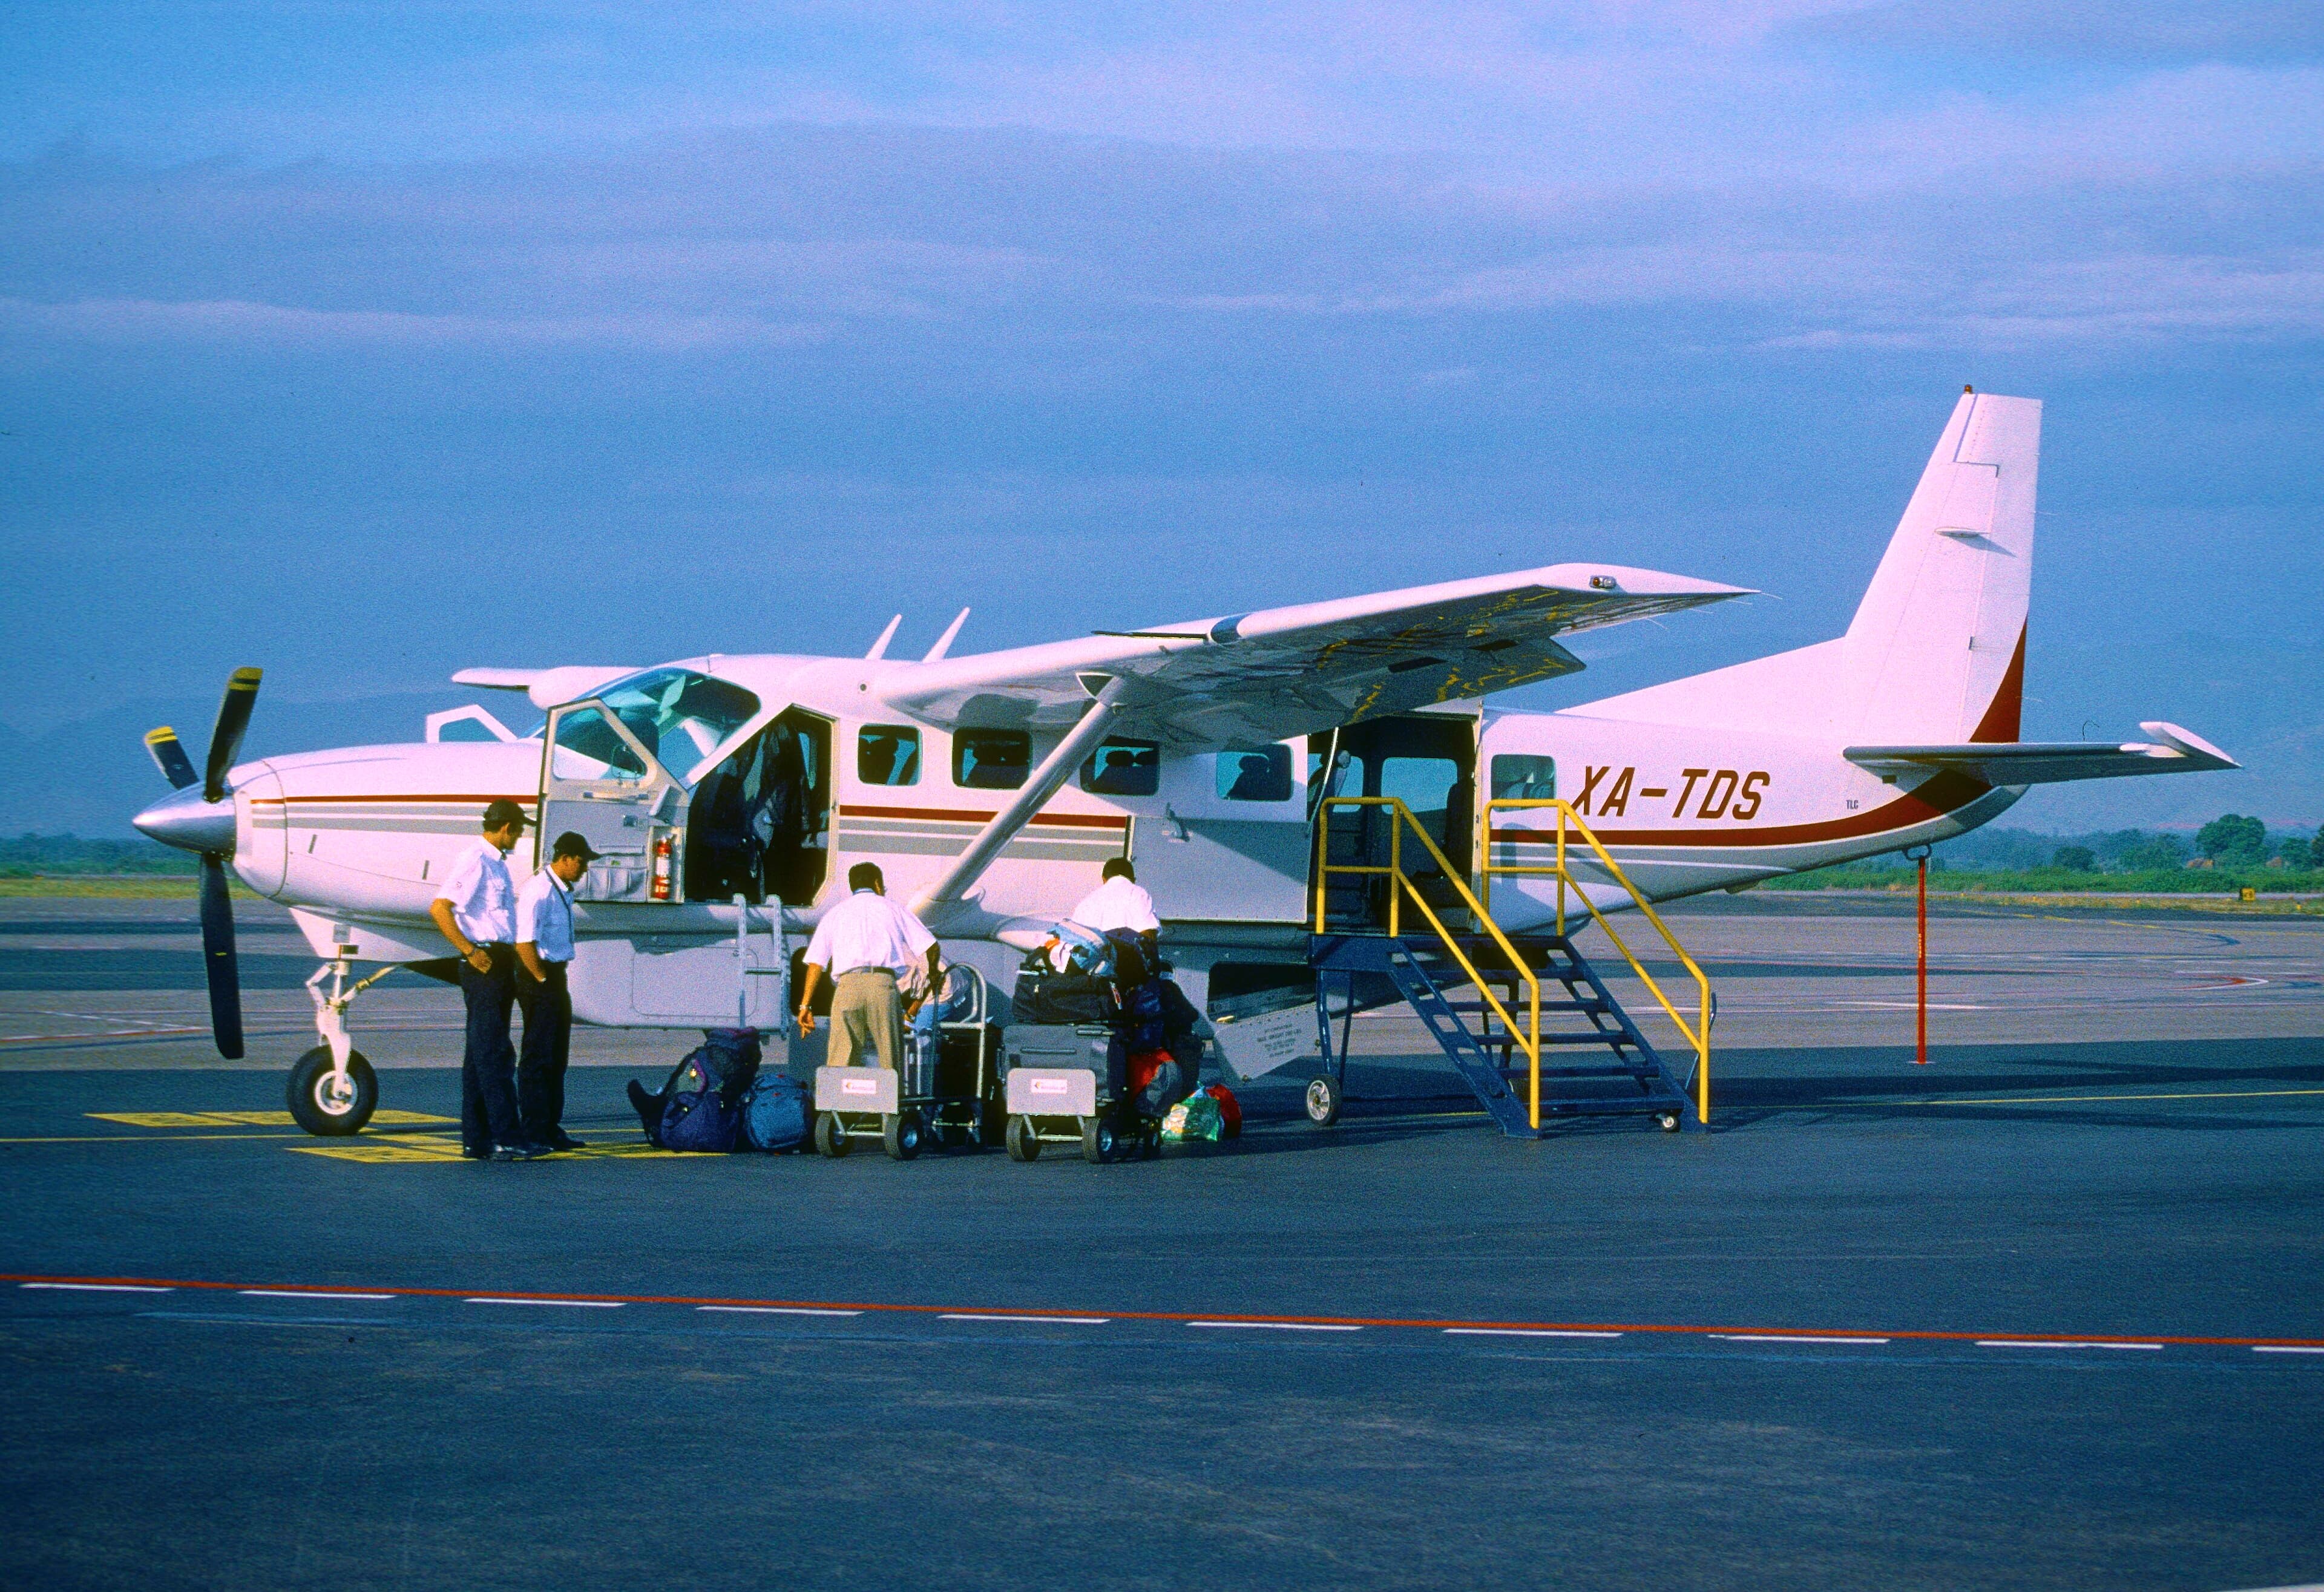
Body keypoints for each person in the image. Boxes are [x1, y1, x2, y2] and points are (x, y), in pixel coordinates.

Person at [430, 798, 543, 1160]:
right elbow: (440, 908)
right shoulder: (476, 861)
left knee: (480, 1053)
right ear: (506, 828)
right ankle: (507, 1136)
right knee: (494, 1052)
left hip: (498, 958)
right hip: (485, 962)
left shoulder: (497, 865)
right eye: (520, 830)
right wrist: (469, 951)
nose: (521, 836)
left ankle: (477, 1139)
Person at [795, 862, 941, 1071]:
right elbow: (931, 946)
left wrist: (805, 1006)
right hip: (882, 986)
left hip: (847, 988)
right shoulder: (893, 909)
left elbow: (816, 963)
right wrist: (934, 972)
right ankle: (891, 1101)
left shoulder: (835, 913)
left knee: (841, 1059)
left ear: (852, 886)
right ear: (877, 884)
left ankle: (840, 1103)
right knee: (890, 1060)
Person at [516, 831, 597, 1152]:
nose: (585, 868)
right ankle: (534, 1128)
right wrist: (540, 979)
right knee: (538, 1055)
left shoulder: (562, 890)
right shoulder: (538, 891)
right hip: (541, 975)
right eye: (581, 861)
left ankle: (550, 1125)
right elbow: (524, 942)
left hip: (555, 975)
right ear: (565, 858)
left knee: (556, 1054)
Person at [1066, 857, 1161, 966]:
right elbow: (1148, 936)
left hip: (1091, 974)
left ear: (1104, 879)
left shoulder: (1086, 902)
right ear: (1133, 880)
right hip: (1126, 972)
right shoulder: (1138, 893)